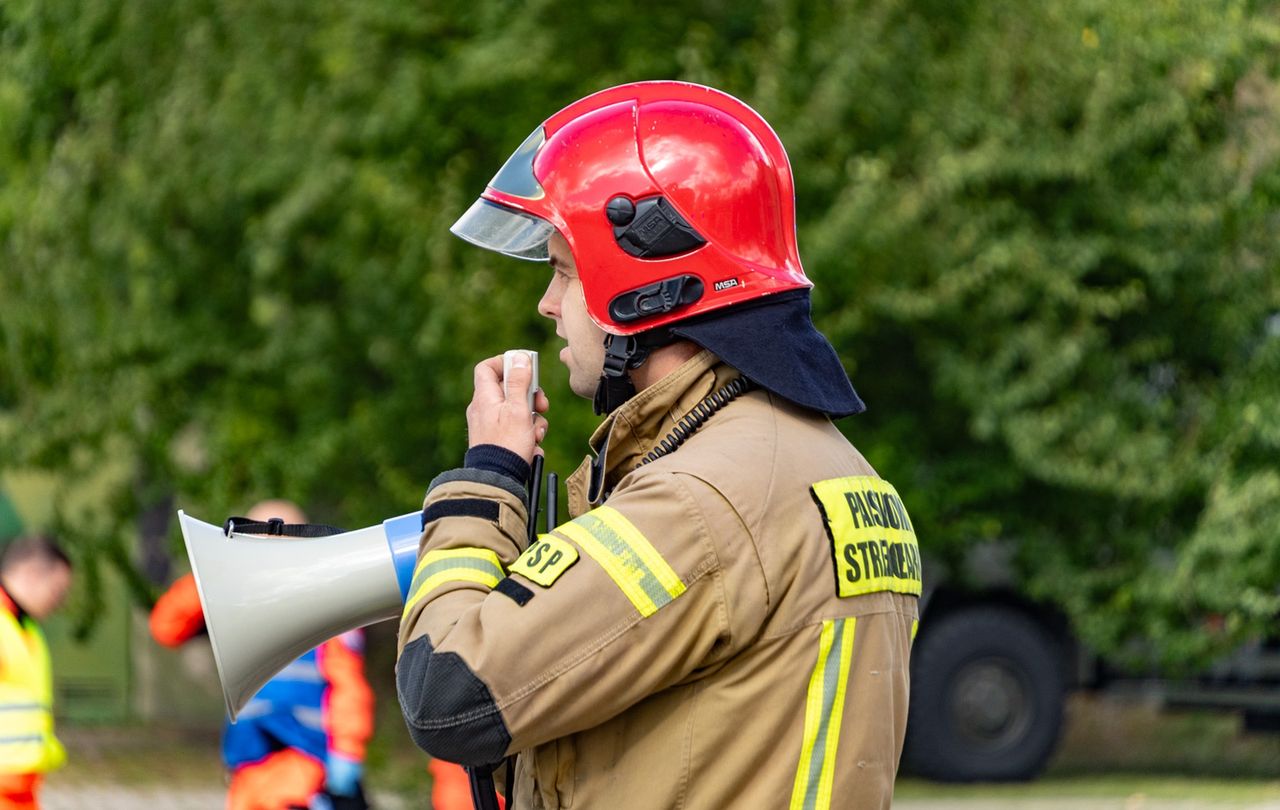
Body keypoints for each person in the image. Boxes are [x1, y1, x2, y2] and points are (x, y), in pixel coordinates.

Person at [395, 81, 921, 809]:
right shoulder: (835, 473)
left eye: (563, 270)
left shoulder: (699, 503)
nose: (547, 304)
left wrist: (487, 479)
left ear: (646, 291)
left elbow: (449, 692)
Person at [150, 500, 374, 810]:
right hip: (248, 771)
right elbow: (166, 626)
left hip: (304, 770)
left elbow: (348, 688)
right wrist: (216, 570)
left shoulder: (327, 609)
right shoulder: (235, 604)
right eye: (256, 540)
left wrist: (346, 753)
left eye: (280, 541)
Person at [0, 536, 72, 810]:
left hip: (21, 788)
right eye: (56, 590)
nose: (59, 602)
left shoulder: (26, 627)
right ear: (31, 573)